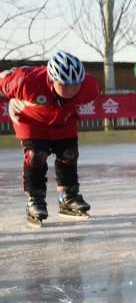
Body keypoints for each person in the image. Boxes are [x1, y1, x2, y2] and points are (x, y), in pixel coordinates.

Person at [0, 51, 100, 226]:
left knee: (69, 154)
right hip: (30, 119)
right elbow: (3, 78)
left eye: (75, 84)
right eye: (64, 84)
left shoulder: (90, 87)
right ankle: (35, 199)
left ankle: (68, 197)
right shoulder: (26, 82)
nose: (71, 90)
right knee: (36, 155)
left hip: (63, 120)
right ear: (52, 80)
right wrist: (13, 102)